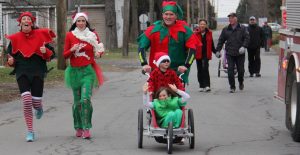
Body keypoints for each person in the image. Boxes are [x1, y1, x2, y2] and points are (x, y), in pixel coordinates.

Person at [6, 12, 56, 142]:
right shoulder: (15, 38)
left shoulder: (40, 36)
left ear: (32, 23)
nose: (26, 20)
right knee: (27, 101)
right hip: (22, 72)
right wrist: (11, 62)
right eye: (24, 19)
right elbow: (11, 57)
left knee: (36, 102)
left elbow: (51, 55)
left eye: (29, 19)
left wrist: (46, 51)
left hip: (38, 72)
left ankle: (39, 108)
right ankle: (30, 131)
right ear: (20, 23)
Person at [63, 12, 105, 139]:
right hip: (75, 72)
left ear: (86, 22)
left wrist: (99, 54)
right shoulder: (70, 35)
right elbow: (64, 55)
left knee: (85, 99)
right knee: (77, 103)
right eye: (78, 21)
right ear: (75, 22)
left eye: (83, 21)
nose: (81, 23)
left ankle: (87, 127)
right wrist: (72, 49)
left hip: (88, 71)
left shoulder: (92, 35)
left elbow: (99, 48)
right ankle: (78, 126)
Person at [137, 1, 200, 84]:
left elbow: (193, 49)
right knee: (157, 96)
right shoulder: (153, 28)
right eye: (166, 14)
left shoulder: (184, 29)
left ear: (176, 15)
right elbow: (141, 46)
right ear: (162, 15)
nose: (168, 17)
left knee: (176, 96)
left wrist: (186, 65)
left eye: (171, 14)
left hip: (177, 72)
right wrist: (144, 64)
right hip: (156, 72)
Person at [215, 12, 249, 93]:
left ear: (236, 19)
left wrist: (244, 46)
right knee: (230, 70)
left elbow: (247, 38)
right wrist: (217, 50)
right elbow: (221, 40)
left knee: (241, 71)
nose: (231, 19)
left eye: (232, 18)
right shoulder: (226, 29)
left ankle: (241, 82)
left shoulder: (243, 28)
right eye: (230, 18)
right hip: (230, 53)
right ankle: (232, 87)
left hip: (240, 53)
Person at [194, 19, 218, 92]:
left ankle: (207, 85)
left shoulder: (209, 33)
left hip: (206, 54)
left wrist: (216, 52)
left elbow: (212, 45)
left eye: (204, 24)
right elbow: (192, 45)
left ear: (206, 25)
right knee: (200, 69)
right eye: (201, 24)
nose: (202, 25)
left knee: (205, 68)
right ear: (199, 25)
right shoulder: (195, 34)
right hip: (198, 54)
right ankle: (201, 85)